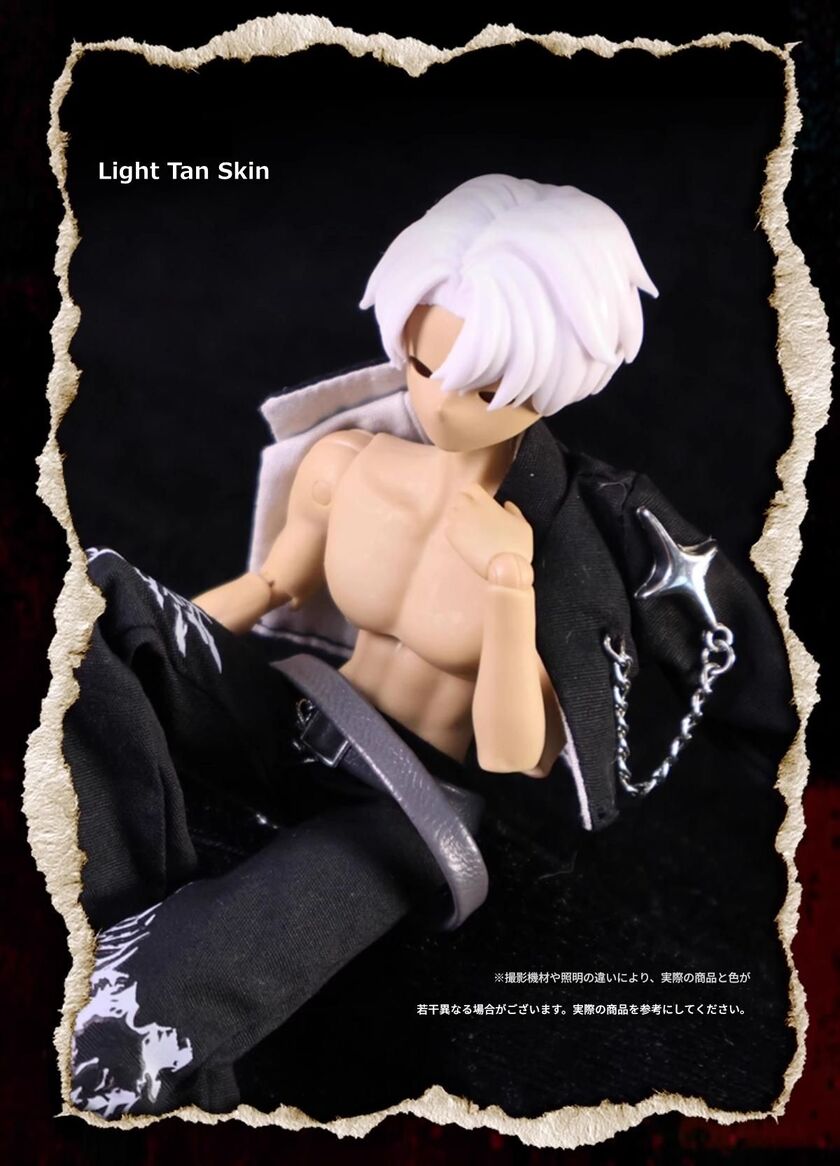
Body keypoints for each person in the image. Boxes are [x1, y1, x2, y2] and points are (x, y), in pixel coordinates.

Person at [66, 175, 795, 1118]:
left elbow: (516, 752)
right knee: (99, 603)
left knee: (292, 907)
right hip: (302, 710)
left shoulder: (554, 551)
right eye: (419, 363)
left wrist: (507, 589)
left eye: (482, 386)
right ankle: (110, 899)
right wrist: (169, 643)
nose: (440, 404)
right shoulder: (346, 462)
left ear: (553, 380)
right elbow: (271, 586)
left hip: (417, 805)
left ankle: (132, 1029)